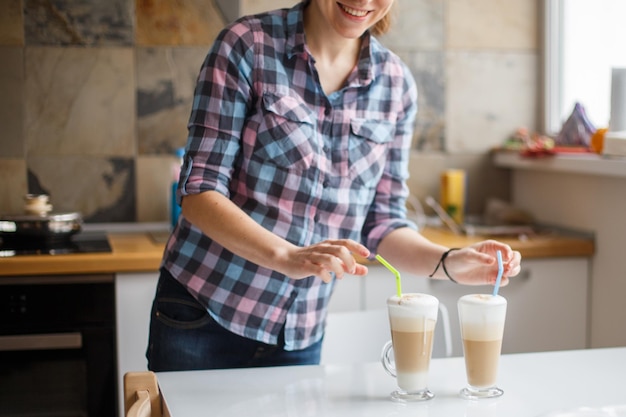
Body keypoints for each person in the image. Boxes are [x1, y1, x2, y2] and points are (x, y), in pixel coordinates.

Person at [146, 0, 522, 372]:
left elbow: (382, 224)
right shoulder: (248, 45)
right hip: (202, 318)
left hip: (298, 337)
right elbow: (199, 190)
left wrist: (449, 262)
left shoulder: (395, 85)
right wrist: (286, 256)